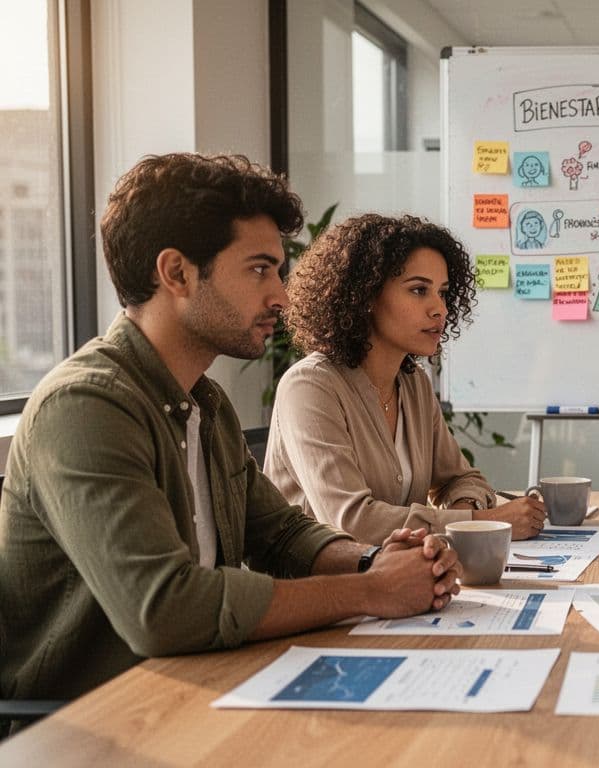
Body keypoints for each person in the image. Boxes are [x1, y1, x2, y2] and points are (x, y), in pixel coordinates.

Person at [0, 154, 459, 731]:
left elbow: (282, 533)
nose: (282, 297)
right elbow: (163, 610)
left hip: (201, 694)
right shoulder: (87, 407)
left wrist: (376, 557)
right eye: (260, 270)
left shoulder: (204, 404)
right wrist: (371, 589)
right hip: (94, 726)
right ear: (178, 274)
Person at [266, 213, 547, 543]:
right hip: (322, 586)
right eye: (418, 290)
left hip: (399, 578)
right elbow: (353, 521)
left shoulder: (413, 383)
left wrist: (465, 513)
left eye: (442, 292)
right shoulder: (310, 387)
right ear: (365, 296)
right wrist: (479, 523)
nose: (439, 309)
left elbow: (460, 478)